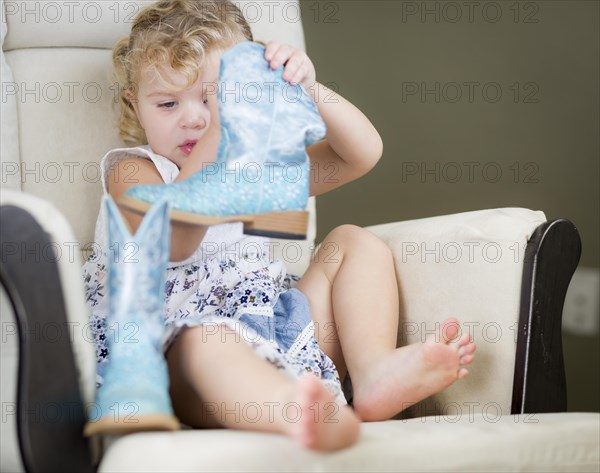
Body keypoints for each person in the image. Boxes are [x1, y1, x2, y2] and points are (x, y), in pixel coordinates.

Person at [82, 0, 476, 451]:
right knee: (208, 343)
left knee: (353, 243)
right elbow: (172, 241)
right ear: (136, 104)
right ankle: (296, 411)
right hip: (174, 349)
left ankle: (373, 374)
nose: (193, 117)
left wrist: (306, 89)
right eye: (168, 103)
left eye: (214, 99)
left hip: (276, 332)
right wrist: (222, 136)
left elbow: (361, 154)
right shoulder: (133, 169)